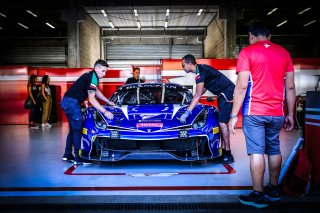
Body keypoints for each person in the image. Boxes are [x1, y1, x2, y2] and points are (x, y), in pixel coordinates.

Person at [228, 22, 296, 208]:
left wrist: (234, 115)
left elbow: (241, 86)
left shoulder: (247, 53)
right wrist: (291, 114)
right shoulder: (284, 53)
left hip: (254, 112)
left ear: (251, 36)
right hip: (277, 112)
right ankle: (274, 190)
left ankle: (258, 194)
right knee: (274, 149)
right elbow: (290, 87)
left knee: (257, 151)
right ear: (270, 36)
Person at [180, 54, 235, 163]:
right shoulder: (202, 70)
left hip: (226, 94)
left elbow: (198, 94)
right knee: (221, 123)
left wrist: (187, 112)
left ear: (189, 63)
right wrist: (193, 103)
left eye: (183, 65)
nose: (183, 68)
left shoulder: (200, 72)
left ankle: (228, 154)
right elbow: (202, 90)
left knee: (223, 123)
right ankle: (223, 152)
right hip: (224, 94)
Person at [61, 59, 115, 165]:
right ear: (97, 68)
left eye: (106, 71)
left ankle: (67, 155)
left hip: (67, 102)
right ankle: (78, 157)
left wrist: (108, 102)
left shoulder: (92, 76)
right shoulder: (93, 77)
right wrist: (105, 112)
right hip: (71, 103)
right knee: (77, 130)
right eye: (103, 71)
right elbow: (92, 99)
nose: (104, 74)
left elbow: (96, 92)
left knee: (73, 129)